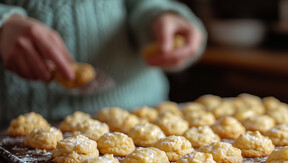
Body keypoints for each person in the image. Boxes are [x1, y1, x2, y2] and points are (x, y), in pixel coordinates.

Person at [0, 0, 206, 128]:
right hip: (16, 124)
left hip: (141, 116)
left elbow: (140, 3)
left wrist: (158, 16)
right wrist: (4, 22)